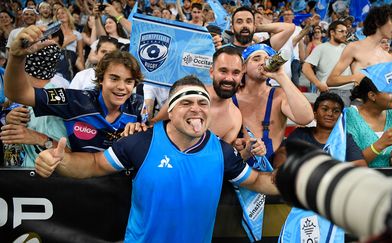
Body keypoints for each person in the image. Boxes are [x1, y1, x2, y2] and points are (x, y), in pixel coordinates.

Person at [34, 76, 279, 243]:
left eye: (202, 103)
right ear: (170, 111)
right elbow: (94, 165)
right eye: (186, 102)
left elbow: (258, 181)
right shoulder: (141, 142)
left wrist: (298, 177)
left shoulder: (222, 152)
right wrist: (61, 161)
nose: (196, 109)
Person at [4, 25, 144, 152]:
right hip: (79, 177)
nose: (121, 87)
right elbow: (19, 94)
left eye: (129, 81)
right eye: (114, 78)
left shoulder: (137, 106)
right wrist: (16, 58)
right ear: (101, 79)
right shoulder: (76, 99)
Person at [232, 44, 314, 160]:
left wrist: (281, 76)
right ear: (243, 67)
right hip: (239, 168)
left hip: (269, 171)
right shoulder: (231, 98)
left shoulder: (279, 96)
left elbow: (306, 118)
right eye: (256, 59)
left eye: (267, 60)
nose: (262, 63)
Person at [0, 30, 69, 167]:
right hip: (17, 177)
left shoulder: (54, 99)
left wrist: (39, 139)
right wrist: (7, 119)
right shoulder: (22, 96)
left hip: (40, 182)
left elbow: (66, 156)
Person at [273, 92, 366, 168]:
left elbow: (361, 165)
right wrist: (281, 168)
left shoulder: (345, 138)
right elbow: (281, 154)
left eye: (336, 111)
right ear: (315, 114)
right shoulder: (300, 134)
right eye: (325, 109)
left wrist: (330, 169)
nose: (330, 114)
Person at [327, 5, 392, 87]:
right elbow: (331, 80)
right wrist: (356, 78)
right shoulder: (354, 47)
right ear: (378, 22)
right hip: (360, 98)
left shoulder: (387, 57)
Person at [345, 77, 392, 168]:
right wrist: (380, 144)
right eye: (389, 92)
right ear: (372, 96)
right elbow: (352, 163)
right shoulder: (350, 115)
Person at [302, 20, 352, 106]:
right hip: (328, 91)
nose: (344, 34)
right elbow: (306, 67)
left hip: (347, 91)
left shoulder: (349, 48)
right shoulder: (321, 48)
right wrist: (318, 84)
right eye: (341, 31)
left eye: (346, 32)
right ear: (332, 32)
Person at [225, 6, 295, 52]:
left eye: (249, 21)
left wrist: (254, 28)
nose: (244, 25)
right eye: (239, 22)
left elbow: (290, 28)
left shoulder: (262, 50)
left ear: (254, 26)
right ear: (232, 28)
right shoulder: (224, 51)